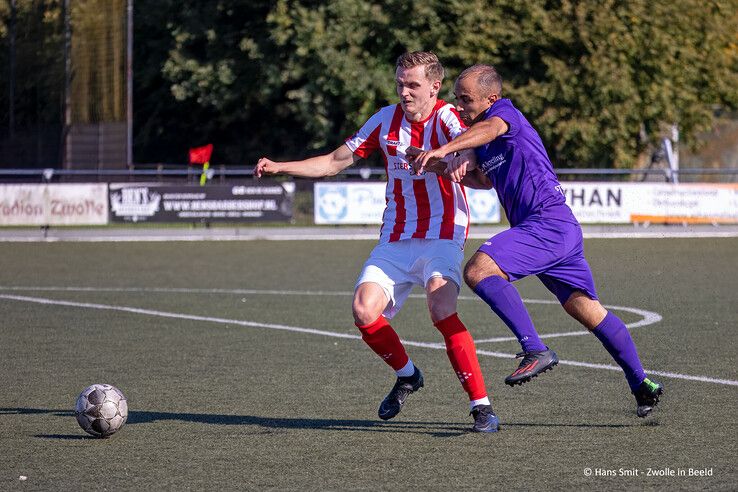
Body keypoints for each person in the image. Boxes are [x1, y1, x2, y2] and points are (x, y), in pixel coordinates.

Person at [254, 52, 498, 432]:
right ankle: (408, 375)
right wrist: (282, 167)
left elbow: (472, 151)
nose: (404, 91)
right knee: (363, 311)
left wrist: (462, 156)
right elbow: (335, 161)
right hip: (396, 236)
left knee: (440, 305)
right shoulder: (385, 121)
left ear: (435, 86)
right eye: (400, 83)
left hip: (443, 232)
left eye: (412, 84)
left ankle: (481, 407)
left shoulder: (450, 117)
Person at [410, 64, 664, 418]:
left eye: (465, 99)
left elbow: (491, 128)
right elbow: (483, 181)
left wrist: (443, 148)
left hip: (546, 223)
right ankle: (642, 385)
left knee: (479, 270)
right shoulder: (485, 143)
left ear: (491, 98)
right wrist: (436, 166)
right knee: (585, 308)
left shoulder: (503, 114)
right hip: (558, 229)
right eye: (456, 98)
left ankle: (534, 349)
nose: (459, 105)